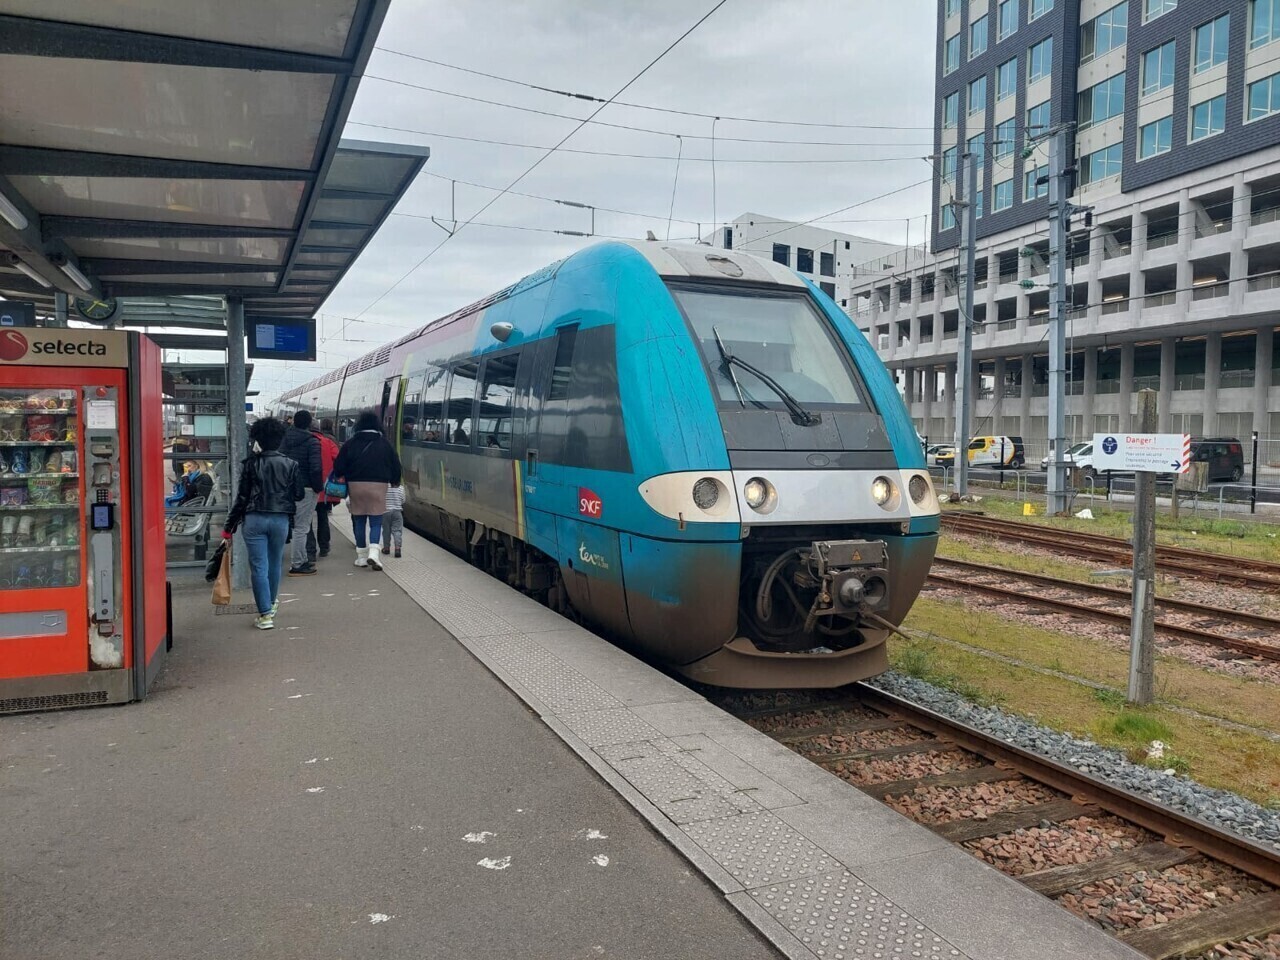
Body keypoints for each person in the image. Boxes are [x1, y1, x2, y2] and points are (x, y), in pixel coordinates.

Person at [222, 418, 304, 630]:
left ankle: (265, 614)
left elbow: (242, 498)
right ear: (280, 439)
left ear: (258, 439)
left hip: (254, 519)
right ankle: (272, 604)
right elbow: (299, 494)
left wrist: (229, 527)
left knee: (259, 566)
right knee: (275, 563)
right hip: (280, 519)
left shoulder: (250, 464)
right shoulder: (291, 464)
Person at [333, 410, 401, 570]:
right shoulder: (385, 444)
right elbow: (396, 465)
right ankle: (374, 554)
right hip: (379, 486)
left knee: (359, 521)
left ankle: (361, 557)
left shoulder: (350, 443)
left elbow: (338, 467)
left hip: (355, 486)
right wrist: (395, 481)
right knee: (376, 522)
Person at [281, 409, 323, 577]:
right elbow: (316, 468)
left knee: (290, 524)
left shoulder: (284, 439)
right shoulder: (312, 442)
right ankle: (298, 564)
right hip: (305, 488)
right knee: (301, 527)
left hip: (286, 487)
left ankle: (301, 559)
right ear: (309, 424)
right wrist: (318, 487)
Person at [307, 418, 341, 561]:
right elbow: (338, 459)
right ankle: (324, 546)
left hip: (306, 488)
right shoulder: (327, 442)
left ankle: (310, 550)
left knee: (306, 520)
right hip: (323, 488)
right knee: (323, 516)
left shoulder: (304, 442)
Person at [381, 482, 404, 558]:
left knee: (386, 531)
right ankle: (397, 549)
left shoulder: (383, 486)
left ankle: (386, 548)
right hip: (397, 512)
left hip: (385, 512)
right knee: (397, 531)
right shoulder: (400, 487)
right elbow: (403, 500)